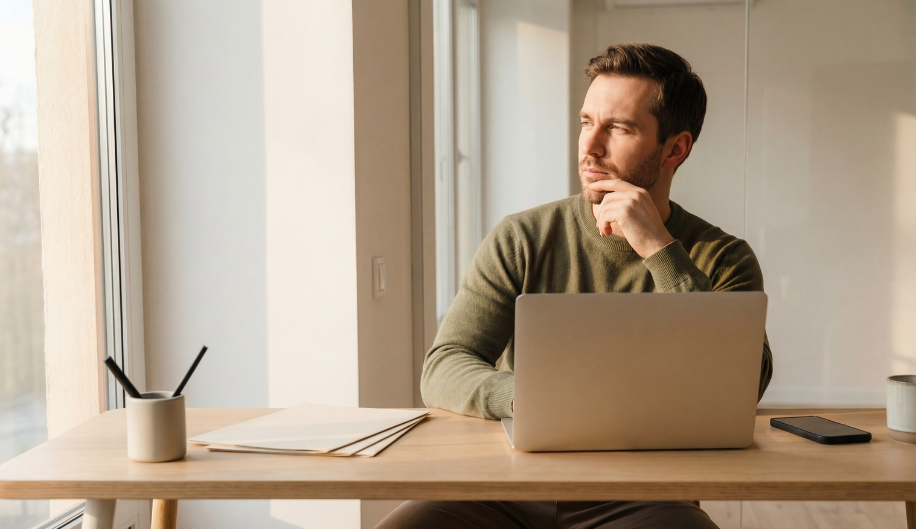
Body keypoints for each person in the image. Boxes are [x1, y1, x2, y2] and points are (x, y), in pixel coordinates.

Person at [377, 42, 773, 529]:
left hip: (648, 496)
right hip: (501, 488)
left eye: (619, 128)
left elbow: (741, 385)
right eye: (587, 122)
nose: (590, 146)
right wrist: (535, 401)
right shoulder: (522, 237)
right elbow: (444, 366)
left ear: (676, 148)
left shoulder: (724, 258)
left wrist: (659, 250)